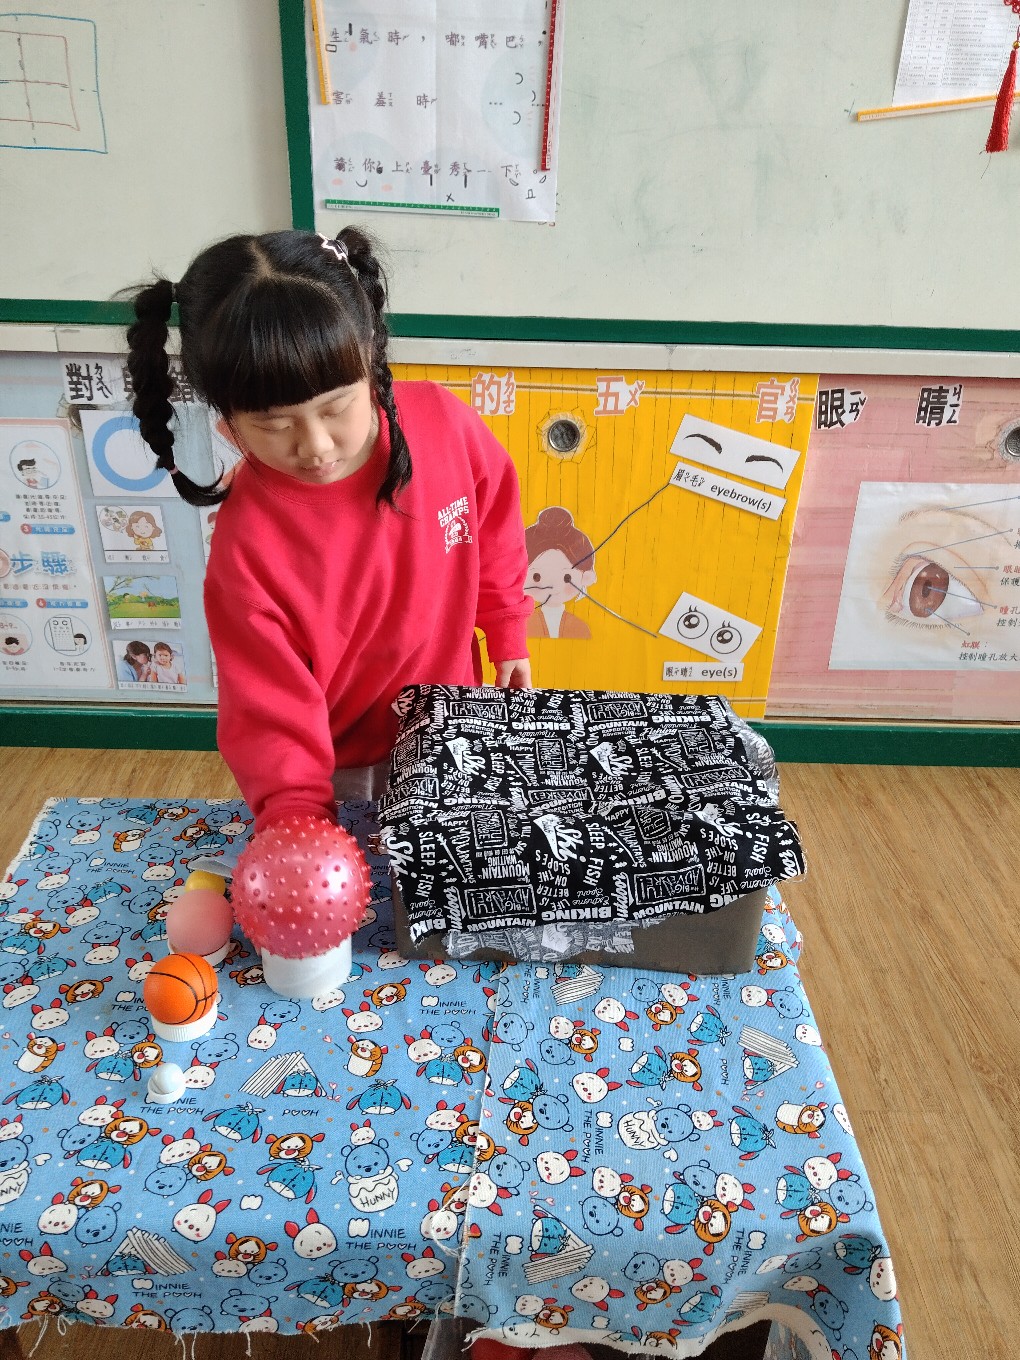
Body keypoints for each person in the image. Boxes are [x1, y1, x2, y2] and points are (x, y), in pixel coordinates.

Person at [125, 228, 532, 829]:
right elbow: (268, 714)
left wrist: (507, 629)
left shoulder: (444, 425)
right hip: (334, 773)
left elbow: (495, 522)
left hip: (456, 738)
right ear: (226, 418)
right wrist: (296, 814)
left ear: (369, 357)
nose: (315, 446)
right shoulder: (247, 547)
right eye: (273, 424)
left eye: (337, 407)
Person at [524, 506, 597, 639]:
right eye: (536, 576)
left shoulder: (580, 628)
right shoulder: (525, 627)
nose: (553, 586)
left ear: (586, 577)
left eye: (567, 577)